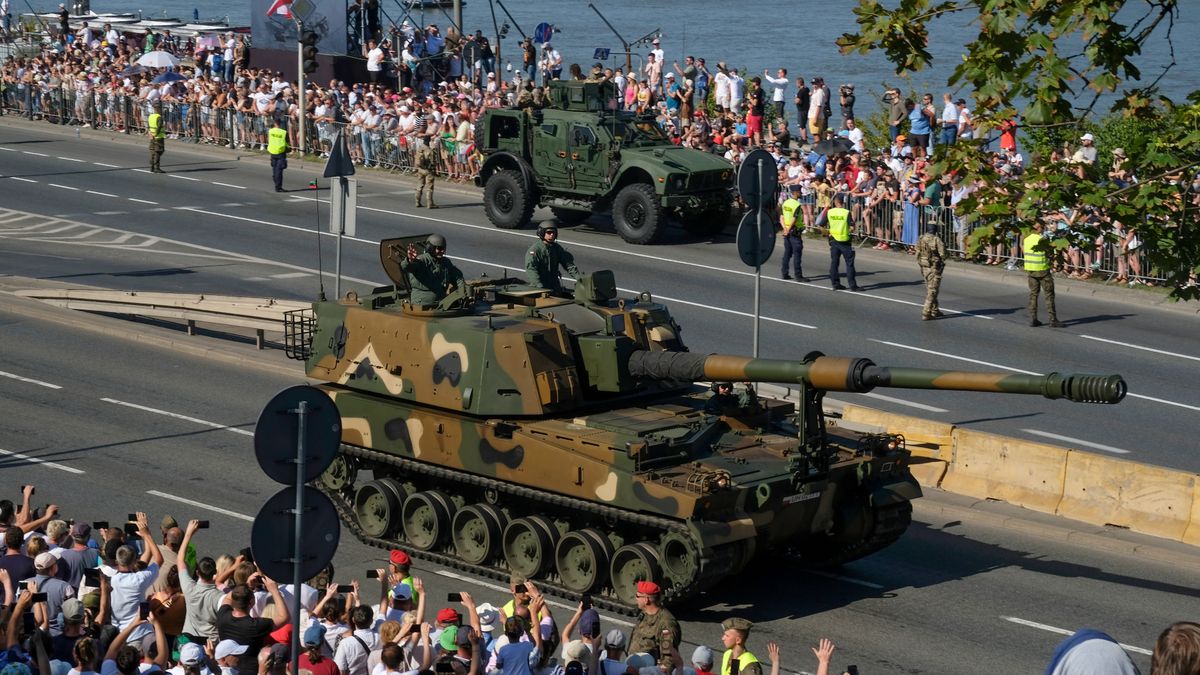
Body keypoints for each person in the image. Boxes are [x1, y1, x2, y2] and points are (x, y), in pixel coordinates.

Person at [401, 234, 465, 307]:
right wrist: (410, 260)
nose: (442, 251)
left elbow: (457, 277)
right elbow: (406, 267)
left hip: (442, 303)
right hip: (422, 305)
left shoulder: (446, 262)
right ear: (430, 248)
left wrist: (463, 292)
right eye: (439, 248)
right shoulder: (422, 260)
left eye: (443, 248)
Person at [627, 581, 679, 668]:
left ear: (646, 600)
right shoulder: (645, 614)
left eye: (638, 596)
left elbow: (668, 660)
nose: (636, 598)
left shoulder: (666, 624)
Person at [1023, 220, 1064, 327]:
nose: (1044, 229)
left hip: (1031, 270)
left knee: (1033, 294)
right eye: (1042, 227)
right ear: (1039, 228)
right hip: (1042, 270)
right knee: (1049, 295)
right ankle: (1053, 319)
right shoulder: (1043, 240)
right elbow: (1050, 253)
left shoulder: (1026, 239)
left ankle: (1033, 318)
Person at [525, 225, 581, 293]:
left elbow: (568, 265)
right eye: (549, 233)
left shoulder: (557, 248)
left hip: (554, 286)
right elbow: (531, 269)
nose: (552, 235)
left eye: (553, 233)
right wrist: (538, 285)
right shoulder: (535, 250)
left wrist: (579, 279)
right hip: (540, 286)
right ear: (542, 233)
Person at [826, 196, 861, 291]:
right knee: (849, 264)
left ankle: (835, 284)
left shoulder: (830, 212)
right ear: (843, 202)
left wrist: (828, 233)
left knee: (834, 263)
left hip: (833, 240)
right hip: (845, 241)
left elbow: (821, 224)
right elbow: (852, 227)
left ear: (835, 202)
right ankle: (852, 285)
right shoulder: (846, 212)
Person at [915, 223, 946, 320]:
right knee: (932, 290)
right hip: (934, 266)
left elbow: (917, 252)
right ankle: (926, 312)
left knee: (931, 287)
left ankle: (935, 310)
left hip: (924, 266)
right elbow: (943, 254)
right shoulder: (937, 240)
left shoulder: (921, 238)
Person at [779, 185, 807, 281]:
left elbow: (781, 217)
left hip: (787, 232)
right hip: (794, 232)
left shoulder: (785, 203)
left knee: (787, 254)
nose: (801, 193)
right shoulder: (797, 205)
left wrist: (785, 229)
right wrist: (788, 229)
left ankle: (784, 273)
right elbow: (794, 219)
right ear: (795, 193)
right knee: (797, 254)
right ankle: (798, 276)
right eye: (799, 192)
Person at [414, 127, 437, 209]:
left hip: (420, 169)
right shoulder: (429, 150)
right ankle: (430, 203)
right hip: (428, 170)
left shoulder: (420, 148)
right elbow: (433, 162)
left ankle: (417, 202)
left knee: (419, 186)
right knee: (429, 187)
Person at [268, 117, 288, 192]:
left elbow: (269, 140)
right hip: (281, 152)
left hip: (272, 152)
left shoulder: (270, 131)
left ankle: (276, 182)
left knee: (274, 169)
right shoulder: (284, 132)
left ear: (274, 123)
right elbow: (287, 142)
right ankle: (278, 187)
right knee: (279, 171)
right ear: (280, 123)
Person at [148, 102, 166, 173]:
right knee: (158, 151)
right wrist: (156, 134)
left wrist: (150, 133)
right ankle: (156, 167)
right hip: (158, 137)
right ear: (158, 109)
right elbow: (159, 127)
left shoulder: (151, 116)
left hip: (152, 136)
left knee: (152, 151)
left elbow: (149, 126)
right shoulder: (159, 117)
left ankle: (152, 166)